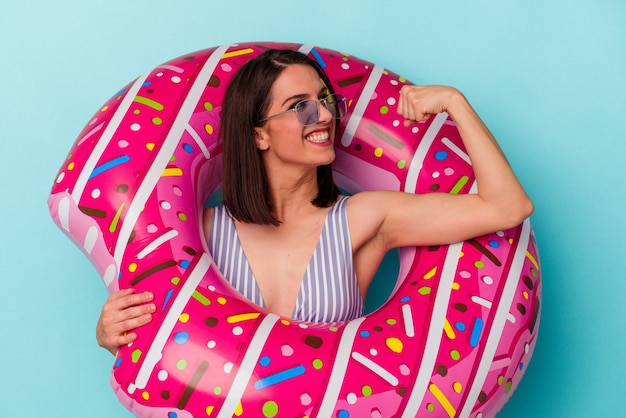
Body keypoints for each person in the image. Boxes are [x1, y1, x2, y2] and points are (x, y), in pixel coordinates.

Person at [96, 49, 533, 355]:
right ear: (258, 134)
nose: (324, 115)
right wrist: (108, 331)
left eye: (325, 100)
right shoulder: (200, 233)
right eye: (300, 107)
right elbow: (163, 335)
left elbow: (507, 208)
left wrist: (455, 102)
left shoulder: (366, 218)